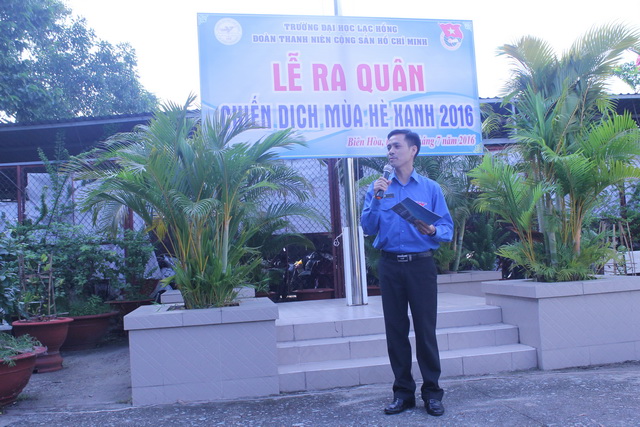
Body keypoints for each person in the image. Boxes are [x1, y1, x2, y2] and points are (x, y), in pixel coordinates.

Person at [360, 129, 453, 417]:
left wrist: (433, 229)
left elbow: (447, 229)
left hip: (421, 266)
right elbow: (368, 227)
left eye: (396, 146)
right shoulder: (378, 187)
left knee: (425, 330)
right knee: (395, 331)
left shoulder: (430, 188)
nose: (390, 151)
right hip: (389, 266)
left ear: (413, 150)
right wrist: (377, 199)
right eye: (388, 146)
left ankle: (432, 393)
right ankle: (403, 393)